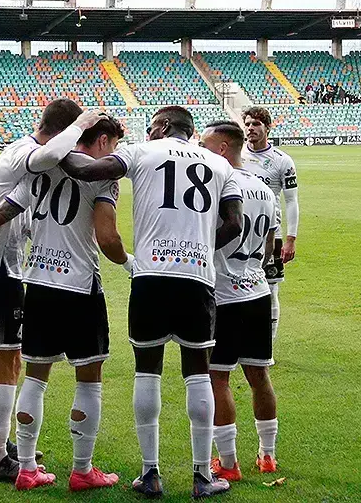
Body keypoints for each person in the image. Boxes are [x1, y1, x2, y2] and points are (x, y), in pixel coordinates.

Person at [62, 106, 244, 499]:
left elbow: (88, 170)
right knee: (198, 372)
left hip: (149, 277)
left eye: (150, 127)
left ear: (162, 127)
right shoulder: (219, 163)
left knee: (148, 371)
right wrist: (198, 246)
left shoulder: (142, 152)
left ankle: (150, 473)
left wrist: (51, 148)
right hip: (196, 278)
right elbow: (235, 224)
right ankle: (201, 475)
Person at [0, 116, 130, 492]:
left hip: (36, 284)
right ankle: (83, 470)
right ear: (102, 142)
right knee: (88, 377)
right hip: (80, 285)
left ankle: (25, 468)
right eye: (114, 145)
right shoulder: (103, 177)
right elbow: (106, 237)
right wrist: (129, 262)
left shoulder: (39, 171)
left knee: (35, 377)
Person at [199, 121, 280, 482]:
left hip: (224, 294)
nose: (199, 150)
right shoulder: (264, 188)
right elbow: (268, 245)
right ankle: (267, 456)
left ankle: (228, 463)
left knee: (217, 378)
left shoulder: (218, 184)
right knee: (259, 375)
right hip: (258, 291)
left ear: (222, 148)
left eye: (205, 144)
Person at [240, 107, 299, 341]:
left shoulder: (282, 161)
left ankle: (268, 344)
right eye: (247, 124)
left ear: (267, 127)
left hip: (269, 234)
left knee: (271, 287)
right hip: (239, 231)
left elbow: (291, 200)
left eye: (255, 124)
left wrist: (291, 239)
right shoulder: (236, 156)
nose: (250, 128)